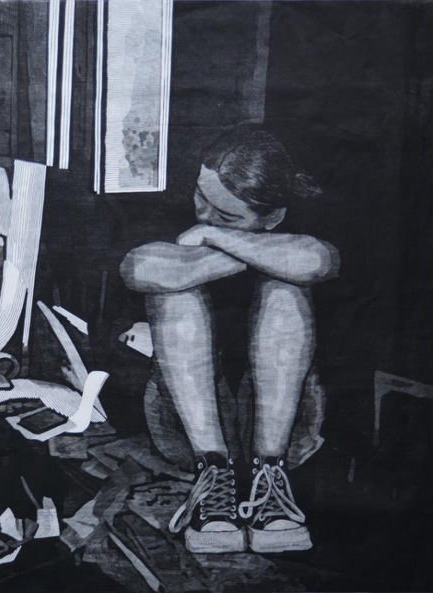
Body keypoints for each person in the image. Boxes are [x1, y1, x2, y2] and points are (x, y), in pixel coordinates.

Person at [119, 125, 339, 554]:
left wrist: (215, 241)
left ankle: (270, 481)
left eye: (227, 216)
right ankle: (213, 476)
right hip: (186, 433)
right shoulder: (177, 212)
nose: (204, 216)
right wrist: (251, 253)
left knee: (285, 291)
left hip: (288, 431)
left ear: (272, 219)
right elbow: (139, 268)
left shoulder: (293, 223)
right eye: (200, 196)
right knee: (174, 294)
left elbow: (317, 261)